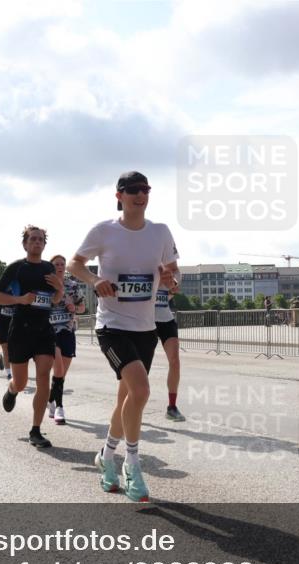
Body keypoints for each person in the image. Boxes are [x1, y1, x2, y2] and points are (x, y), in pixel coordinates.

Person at [68, 170, 180, 502]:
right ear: (119, 195)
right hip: (112, 326)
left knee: (127, 399)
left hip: (145, 328)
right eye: (133, 190)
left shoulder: (160, 232)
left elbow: (173, 271)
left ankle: (106, 455)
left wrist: (171, 280)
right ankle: (132, 465)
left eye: (145, 189)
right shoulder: (104, 230)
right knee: (141, 390)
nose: (140, 195)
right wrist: (94, 281)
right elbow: (75, 263)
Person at [0, 226, 64, 448]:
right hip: (21, 330)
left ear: (44, 244)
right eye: (33, 239)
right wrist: (20, 299)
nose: (37, 242)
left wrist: (60, 289)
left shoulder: (49, 268)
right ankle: (12, 389)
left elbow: (54, 300)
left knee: (44, 377)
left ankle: (36, 430)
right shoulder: (16, 268)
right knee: (21, 382)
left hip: (43, 330)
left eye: (40, 239)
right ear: (25, 244)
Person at [47, 255, 85, 425]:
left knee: (61, 374)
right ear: (51, 267)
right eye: (56, 264)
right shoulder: (45, 284)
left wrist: (74, 307)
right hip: (50, 331)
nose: (60, 267)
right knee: (59, 369)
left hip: (68, 331)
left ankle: (50, 400)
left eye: (62, 264)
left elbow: (82, 308)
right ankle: (60, 408)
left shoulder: (72, 285)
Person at [155, 284, 186, 421]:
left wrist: (172, 290)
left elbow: (169, 293)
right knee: (140, 366)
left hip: (166, 319)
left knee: (175, 362)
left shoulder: (172, 272)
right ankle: (132, 404)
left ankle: (172, 407)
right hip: (144, 320)